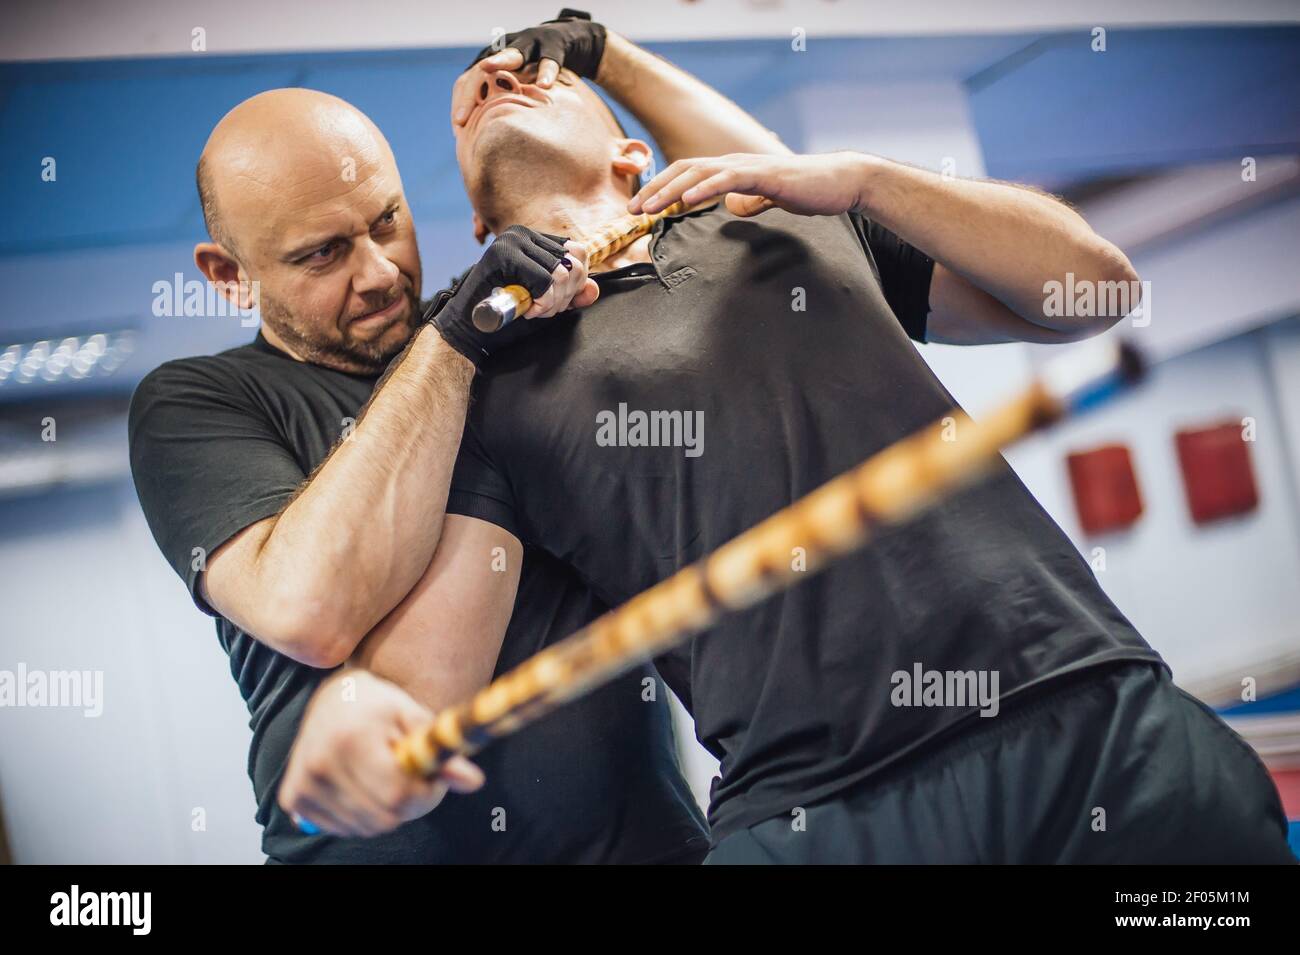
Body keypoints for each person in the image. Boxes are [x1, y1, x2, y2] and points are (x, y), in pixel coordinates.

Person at [283, 12, 1295, 863]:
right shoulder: (482, 364)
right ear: (467, 221)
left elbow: (1096, 289)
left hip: (1086, 715)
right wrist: (352, 715)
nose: (498, 78)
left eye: (527, 72)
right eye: (471, 96)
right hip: (819, 814)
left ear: (633, 152)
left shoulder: (788, 214)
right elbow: (426, 680)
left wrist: (858, 176)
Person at [128, 13, 789, 862]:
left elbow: (769, 191)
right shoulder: (200, 401)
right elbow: (309, 609)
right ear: (229, 277)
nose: (378, 272)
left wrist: (606, 56)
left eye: (387, 221)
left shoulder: (504, 330)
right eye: (324, 254)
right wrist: (452, 342)